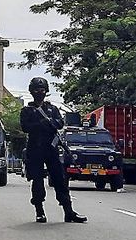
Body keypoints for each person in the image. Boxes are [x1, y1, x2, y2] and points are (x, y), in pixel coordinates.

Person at [20, 77, 87, 224]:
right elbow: (25, 127)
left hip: (51, 148)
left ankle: (68, 212)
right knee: (37, 181)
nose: (40, 92)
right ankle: (39, 211)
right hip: (35, 148)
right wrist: (41, 123)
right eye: (37, 90)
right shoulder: (27, 110)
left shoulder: (52, 109)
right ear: (31, 91)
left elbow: (59, 123)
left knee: (60, 180)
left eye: (42, 90)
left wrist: (50, 122)